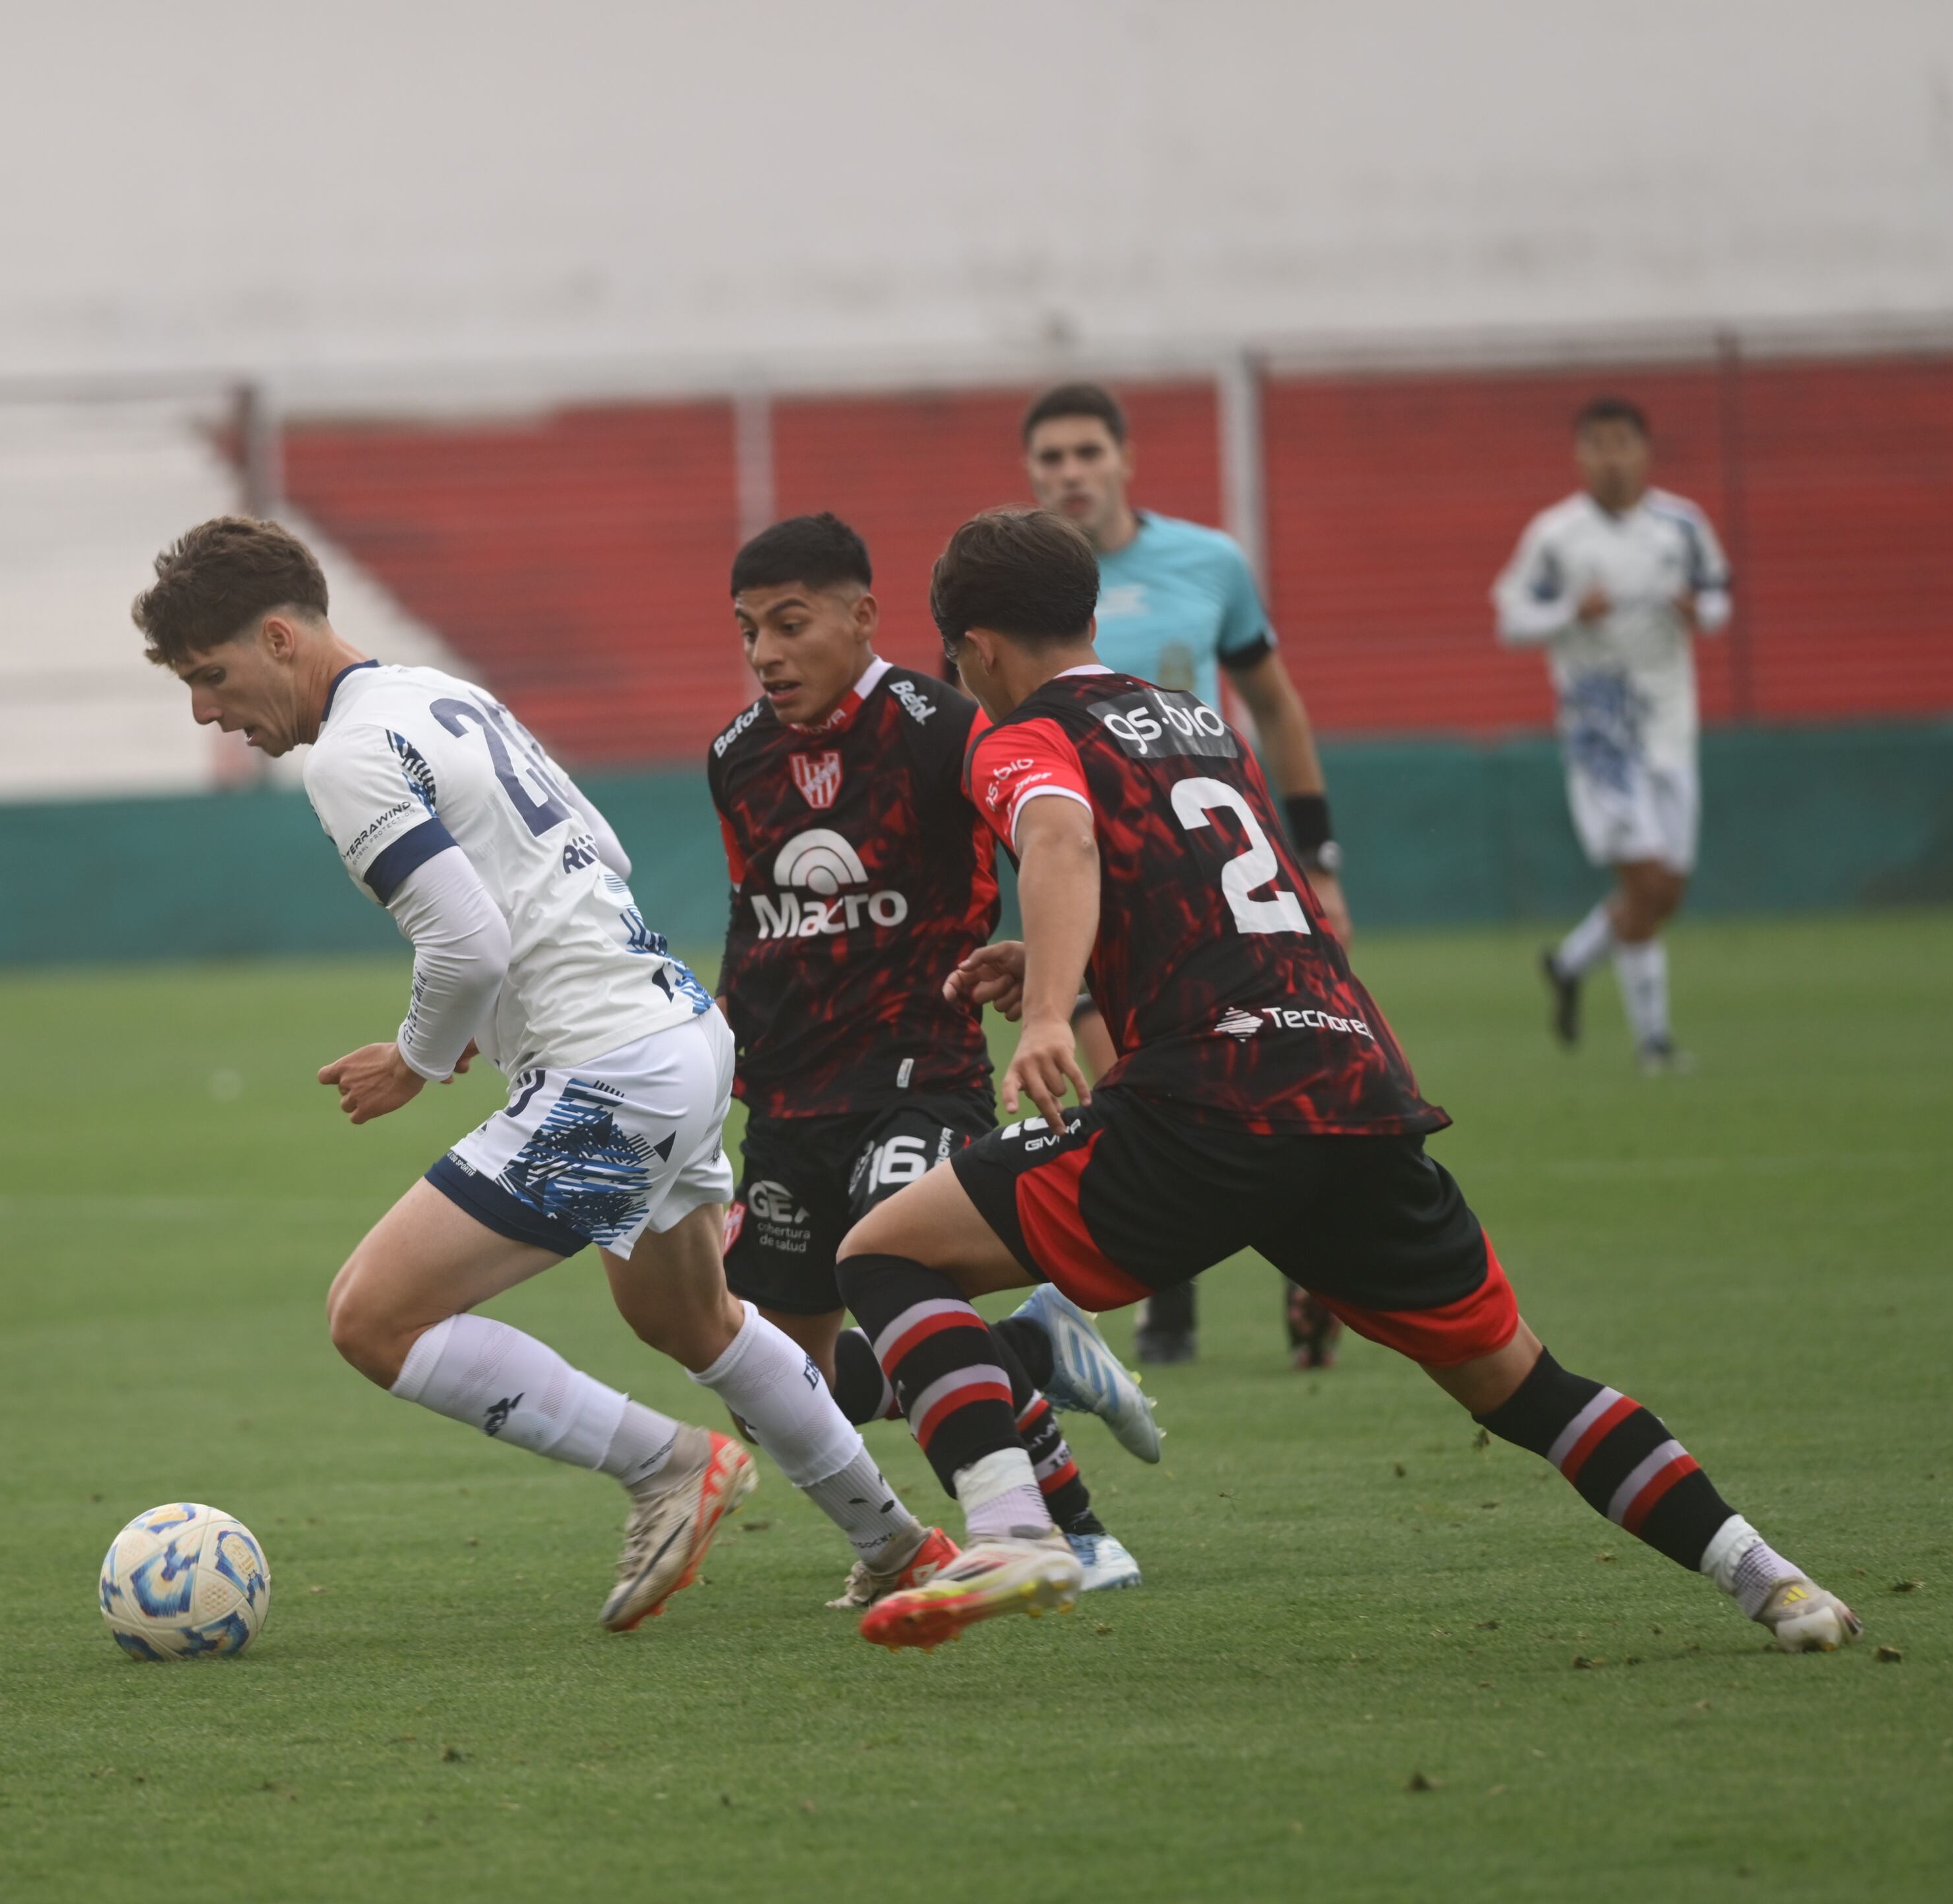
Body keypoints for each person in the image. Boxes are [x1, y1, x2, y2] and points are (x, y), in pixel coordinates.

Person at [825, 506, 1856, 1658]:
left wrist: (1053, 1003)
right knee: (1521, 1382)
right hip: (1349, 1085)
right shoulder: (1197, 721)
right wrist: (1072, 957)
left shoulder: (1012, 734)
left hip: (1207, 1101)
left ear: (971, 645)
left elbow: (1061, 841)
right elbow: (1212, 887)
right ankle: (1773, 1581)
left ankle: (1014, 1525)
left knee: (884, 1248)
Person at [133, 517, 937, 1632]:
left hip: (606, 1066)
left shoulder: (351, 753)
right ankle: (895, 1540)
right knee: (691, 1316)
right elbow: (591, 852)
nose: (205, 711)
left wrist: (416, 1057)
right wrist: (507, 1012)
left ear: (279, 636)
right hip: (674, 1030)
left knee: (371, 1317)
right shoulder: (433, 692)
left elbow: (465, 940)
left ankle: (666, 1467)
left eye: (209, 676)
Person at [708, 513, 1161, 1605]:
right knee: (777, 1380)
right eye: (745, 630)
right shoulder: (735, 756)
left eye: (788, 622)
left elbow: (1061, 858)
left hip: (919, 1073)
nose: (764, 652)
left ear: (862, 616)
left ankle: (1073, 1529)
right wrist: (718, 1053)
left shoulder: (941, 726)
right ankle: (1037, 1353)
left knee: (902, 1286)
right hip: (787, 1098)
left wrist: (1079, 1015)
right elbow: (754, 923)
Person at [1021, 381, 1350, 1367]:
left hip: (1214, 875)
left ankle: (1317, 1261)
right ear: (1031, 473)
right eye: (1051, 459)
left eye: (1087, 453)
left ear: (1125, 459)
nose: (1071, 474)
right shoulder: (1020, 592)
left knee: (1267, 1072)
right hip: (1087, 875)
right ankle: (1168, 1300)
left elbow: (1275, 706)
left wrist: (1319, 855)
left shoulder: (1209, 563)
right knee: (1122, 1081)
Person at [1492, 397, 1728, 1075]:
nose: (1611, 455)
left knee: (1666, 893)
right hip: (1601, 737)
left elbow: (1719, 598)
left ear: (1644, 450)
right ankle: (1653, 1043)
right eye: (1597, 444)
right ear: (1580, 455)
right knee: (1647, 878)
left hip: (1670, 726)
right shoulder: (1556, 535)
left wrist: (1698, 610)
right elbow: (1510, 618)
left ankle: (1568, 963)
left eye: (1622, 442)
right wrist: (1570, 611)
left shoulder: (1681, 525)